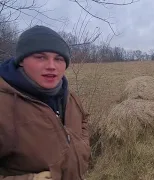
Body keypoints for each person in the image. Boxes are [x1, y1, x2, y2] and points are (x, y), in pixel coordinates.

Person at [0, 25, 91, 180]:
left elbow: (84, 121)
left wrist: (83, 146)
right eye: (40, 57)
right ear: (21, 60)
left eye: (58, 59)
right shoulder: (4, 104)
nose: (51, 66)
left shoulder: (69, 96)